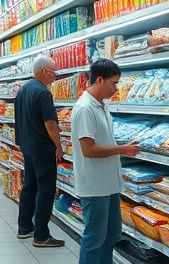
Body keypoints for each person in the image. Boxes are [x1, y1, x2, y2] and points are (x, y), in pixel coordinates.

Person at [72, 59, 140, 264]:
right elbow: (88, 150)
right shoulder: (85, 108)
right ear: (100, 80)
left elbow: (101, 139)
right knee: (94, 238)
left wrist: (122, 144)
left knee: (111, 233)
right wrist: (122, 149)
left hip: (108, 185)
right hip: (94, 187)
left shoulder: (101, 106)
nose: (116, 89)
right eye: (114, 83)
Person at [15, 54, 66, 248]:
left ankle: (24, 227)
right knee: (45, 190)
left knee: (30, 186)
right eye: (53, 72)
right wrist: (59, 147)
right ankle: (41, 235)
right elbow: (50, 123)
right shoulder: (43, 93)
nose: (55, 76)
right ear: (43, 71)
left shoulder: (23, 90)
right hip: (43, 148)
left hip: (27, 146)